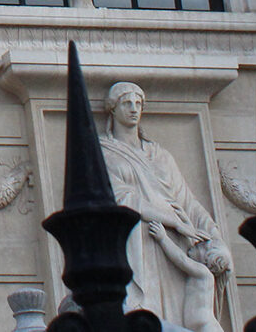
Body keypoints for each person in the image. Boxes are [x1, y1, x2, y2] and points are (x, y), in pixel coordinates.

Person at [97, 82, 231, 332]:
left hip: (172, 243)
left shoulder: (161, 156)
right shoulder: (104, 152)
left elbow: (188, 203)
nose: (134, 109)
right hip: (138, 240)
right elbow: (120, 199)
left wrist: (215, 241)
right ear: (112, 109)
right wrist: (173, 220)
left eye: (138, 104)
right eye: (127, 103)